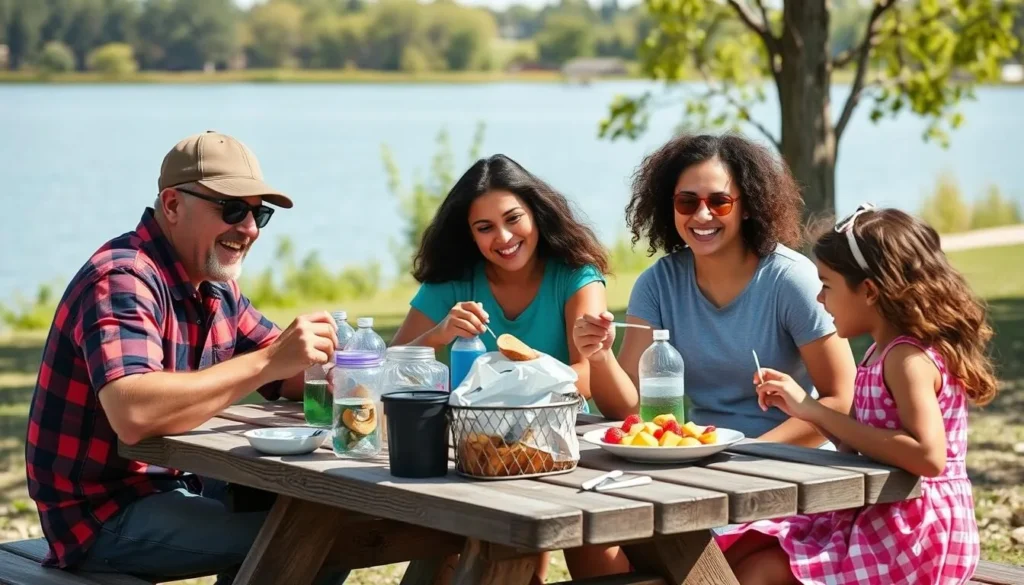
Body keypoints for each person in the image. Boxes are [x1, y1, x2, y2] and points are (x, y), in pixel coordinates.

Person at [24, 131, 349, 585]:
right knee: (314, 540)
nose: (250, 229)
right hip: (102, 514)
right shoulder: (122, 279)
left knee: (323, 512)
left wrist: (338, 372)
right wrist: (271, 361)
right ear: (173, 205)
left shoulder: (214, 285)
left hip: (178, 483)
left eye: (260, 214)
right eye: (233, 210)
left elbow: (289, 371)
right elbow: (134, 410)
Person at [715, 205, 995, 585]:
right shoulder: (879, 353)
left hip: (914, 531)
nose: (818, 298)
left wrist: (818, 410)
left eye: (827, 284)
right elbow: (871, 443)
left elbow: (928, 457)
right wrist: (806, 409)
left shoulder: (907, 359)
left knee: (758, 571)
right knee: (740, 548)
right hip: (880, 512)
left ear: (868, 291)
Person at [391, 153, 629, 582]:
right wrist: (439, 334)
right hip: (471, 453)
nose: (503, 237)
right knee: (456, 549)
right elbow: (391, 368)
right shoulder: (452, 281)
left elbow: (587, 377)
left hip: (559, 450)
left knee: (592, 547)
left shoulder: (574, 275)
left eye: (513, 218)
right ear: (470, 235)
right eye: (484, 228)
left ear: (536, 214)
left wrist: (515, 377)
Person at [573, 133, 856, 448]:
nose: (702, 215)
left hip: (792, 460)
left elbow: (842, 400)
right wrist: (599, 358)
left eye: (719, 202)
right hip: (705, 456)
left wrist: (750, 451)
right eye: (687, 201)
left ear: (747, 206)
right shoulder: (657, 284)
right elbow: (625, 408)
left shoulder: (791, 279)